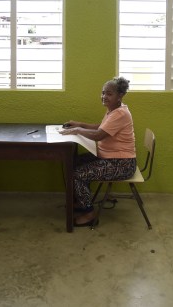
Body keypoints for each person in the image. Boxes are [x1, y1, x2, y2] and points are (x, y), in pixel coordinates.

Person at [59, 76, 137, 227]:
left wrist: (77, 130)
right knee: (73, 163)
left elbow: (99, 135)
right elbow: (101, 127)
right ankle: (83, 201)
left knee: (77, 175)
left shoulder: (120, 114)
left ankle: (89, 214)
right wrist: (79, 124)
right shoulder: (113, 110)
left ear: (120, 95)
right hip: (109, 158)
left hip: (121, 164)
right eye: (102, 93)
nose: (104, 96)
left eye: (109, 94)